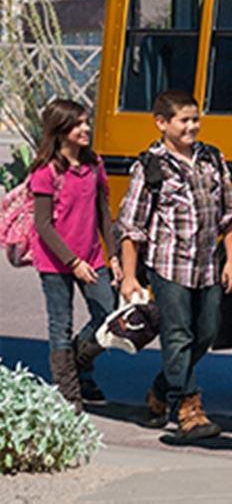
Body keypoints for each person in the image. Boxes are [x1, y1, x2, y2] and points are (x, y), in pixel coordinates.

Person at [117, 90, 232, 441]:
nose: (192, 127)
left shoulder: (212, 159)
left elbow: (229, 215)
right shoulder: (150, 166)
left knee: (207, 332)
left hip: (207, 266)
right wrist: (129, 277)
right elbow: (132, 227)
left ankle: (161, 388)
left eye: (195, 119)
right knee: (177, 333)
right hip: (168, 265)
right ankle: (188, 409)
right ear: (162, 123)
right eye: (184, 120)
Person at [28, 99, 120, 410]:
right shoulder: (46, 171)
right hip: (56, 261)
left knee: (108, 316)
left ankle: (77, 367)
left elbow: (104, 214)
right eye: (78, 124)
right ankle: (68, 395)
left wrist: (114, 255)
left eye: (86, 122)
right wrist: (72, 262)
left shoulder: (94, 165)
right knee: (60, 324)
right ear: (61, 130)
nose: (85, 128)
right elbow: (43, 224)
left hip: (92, 256)